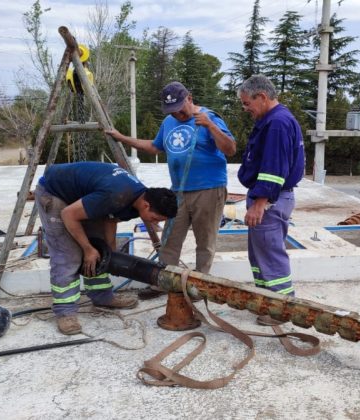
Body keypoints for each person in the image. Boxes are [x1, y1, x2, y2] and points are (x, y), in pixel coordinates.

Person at [107, 81, 236, 299]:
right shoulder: (169, 122)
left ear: (190, 98)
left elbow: (231, 149)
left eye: (179, 108)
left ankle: (200, 284)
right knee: (170, 239)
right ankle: (163, 282)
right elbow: (154, 146)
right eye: (171, 111)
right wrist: (121, 138)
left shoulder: (209, 117)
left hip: (209, 189)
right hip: (178, 191)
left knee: (205, 240)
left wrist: (210, 127)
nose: (177, 114)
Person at [35, 162, 177, 335]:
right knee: (69, 256)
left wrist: (110, 250)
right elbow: (69, 214)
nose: (155, 223)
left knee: (101, 252)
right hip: (55, 193)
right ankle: (65, 312)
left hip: (85, 194)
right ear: (147, 205)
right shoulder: (117, 195)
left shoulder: (138, 198)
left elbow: (110, 218)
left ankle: (102, 297)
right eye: (155, 218)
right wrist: (87, 249)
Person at [237, 75, 305, 303]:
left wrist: (259, 203)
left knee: (271, 257)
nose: (245, 108)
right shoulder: (274, 120)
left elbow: (273, 169)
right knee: (260, 256)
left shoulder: (277, 123)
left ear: (262, 97)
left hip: (269, 201)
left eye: (247, 103)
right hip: (269, 199)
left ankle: (282, 307)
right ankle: (267, 301)